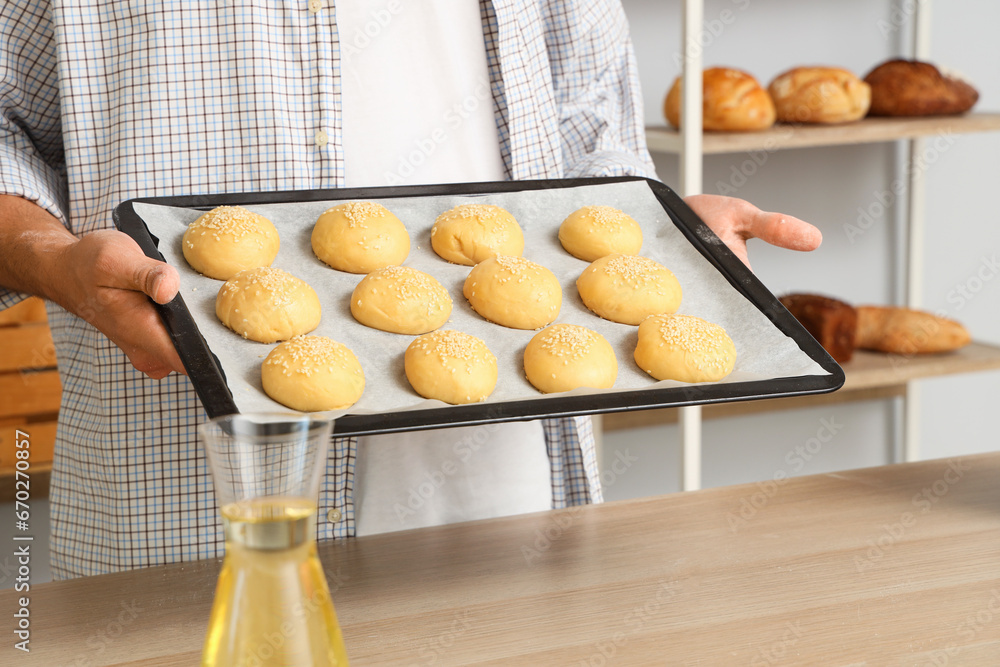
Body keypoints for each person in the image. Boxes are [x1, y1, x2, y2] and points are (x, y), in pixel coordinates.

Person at [0, 1, 821, 579]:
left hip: (517, 510)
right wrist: (47, 258)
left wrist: (671, 239)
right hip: (201, 527)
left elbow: (590, 124)